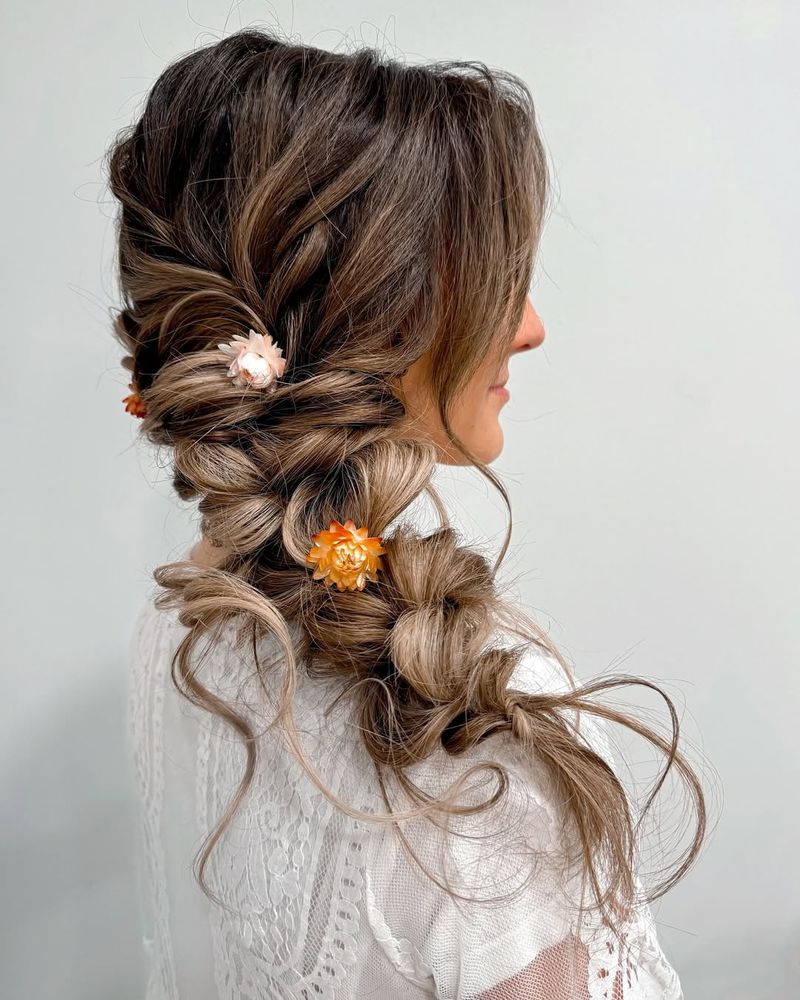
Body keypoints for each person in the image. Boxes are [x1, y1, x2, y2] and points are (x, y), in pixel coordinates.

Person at [109, 28, 706, 999]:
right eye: (486, 275)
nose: (529, 325)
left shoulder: (183, 622)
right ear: (370, 319)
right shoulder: (481, 751)